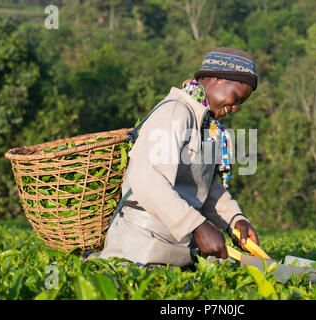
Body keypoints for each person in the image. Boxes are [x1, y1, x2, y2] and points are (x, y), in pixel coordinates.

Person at [90, 47, 260, 268]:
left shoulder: (207, 127)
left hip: (179, 247)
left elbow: (207, 189)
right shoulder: (175, 113)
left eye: (240, 103)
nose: (235, 108)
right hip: (140, 247)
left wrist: (236, 221)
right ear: (217, 78)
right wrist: (198, 226)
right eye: (235, 98)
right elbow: (146, 179)